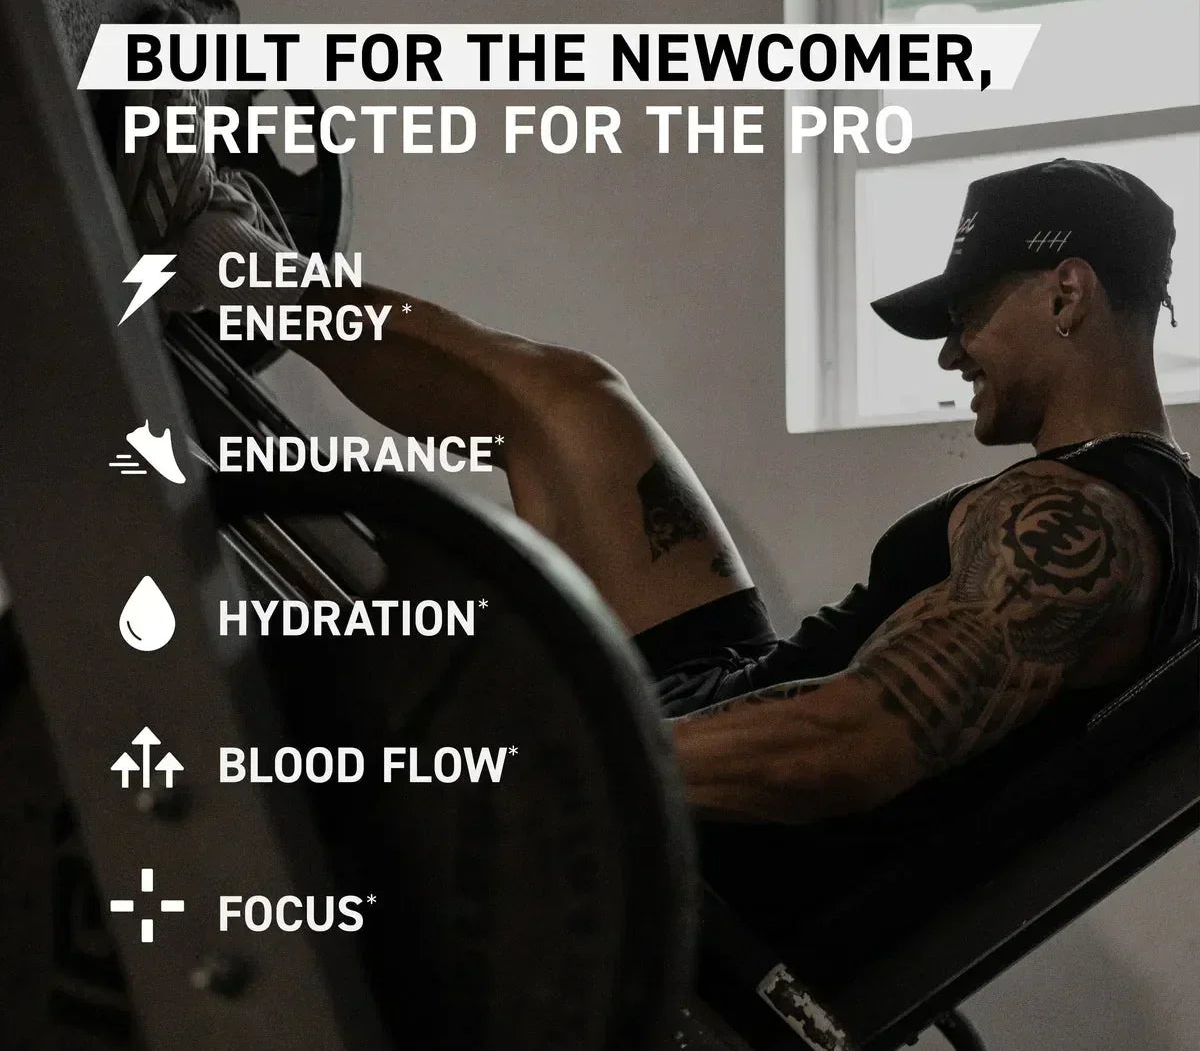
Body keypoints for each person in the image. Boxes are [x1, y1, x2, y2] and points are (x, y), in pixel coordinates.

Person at [120, 93, 1200, 827]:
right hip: (731, 688)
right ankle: (225, 258)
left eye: (967, 316)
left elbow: (854, 743)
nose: (955, 352)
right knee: (569, 400)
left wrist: (559, 760)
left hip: (705, 777)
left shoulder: (1083, 520)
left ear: (1067, 293)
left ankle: (206, 246)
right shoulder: (1144, 498)